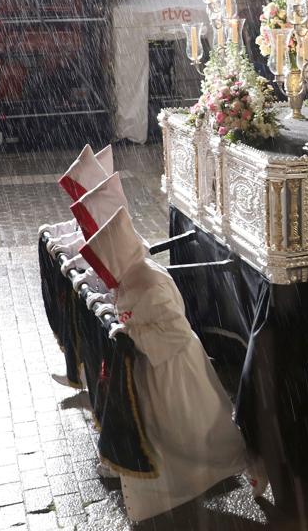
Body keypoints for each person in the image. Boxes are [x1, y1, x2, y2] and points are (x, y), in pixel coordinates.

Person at [82, 206, 258, 519]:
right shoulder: (135, 273)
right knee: (167, 427)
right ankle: (180, 475)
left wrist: (133, 333)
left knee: (189, 422)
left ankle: (213, 468)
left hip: (173, 365)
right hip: (156, 365)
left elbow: (173, 333)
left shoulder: (151, 281)